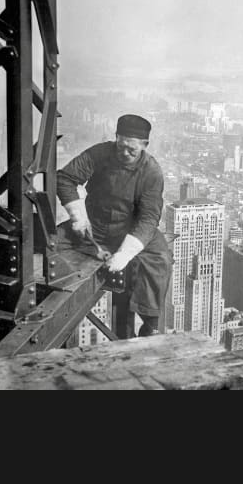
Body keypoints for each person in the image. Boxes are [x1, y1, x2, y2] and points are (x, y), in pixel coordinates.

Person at [56, 114, 172, 337]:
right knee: (51, 243)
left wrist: (125, 254)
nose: (125, 153)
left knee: (160, 258)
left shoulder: (151, 171)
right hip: (94, 225)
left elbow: (148, 218)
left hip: (130, 229)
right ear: (116, 138)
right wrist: (78, 217)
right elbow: (65, 178)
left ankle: (150, 323)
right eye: (121, 146)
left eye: (132, 150)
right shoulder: (99, 153)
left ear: (145, 146)